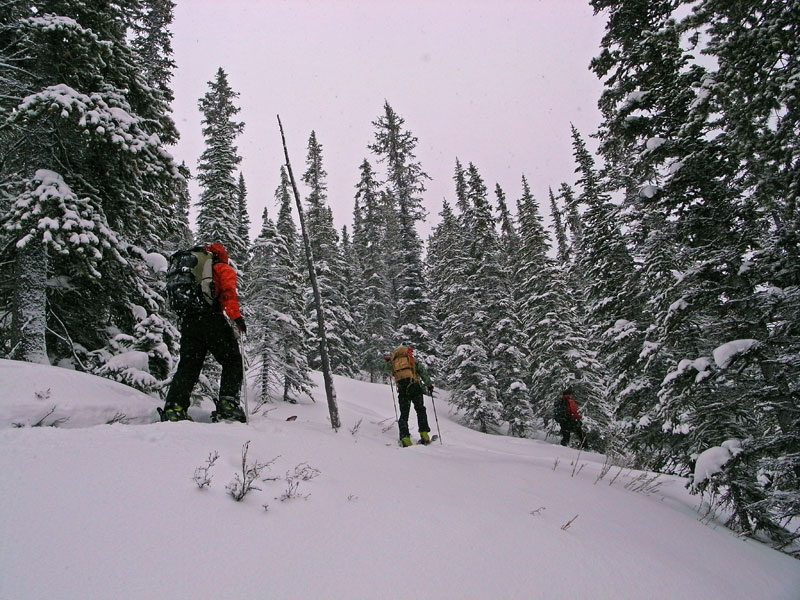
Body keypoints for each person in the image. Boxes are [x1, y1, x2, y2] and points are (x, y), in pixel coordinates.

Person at [162, 243, 247, 422]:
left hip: (189, 322)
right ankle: (228, 406)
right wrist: (237, 318)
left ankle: (174, 409)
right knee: (232, 360)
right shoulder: (221, 267)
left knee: (188, 367)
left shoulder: (191, 270)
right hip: (211, 319)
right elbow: (228, 294)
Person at [384, 345, 434, 447]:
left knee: (404, 414)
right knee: (420, 409)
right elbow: (423, 372)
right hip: (415, 386)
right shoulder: (411, 360)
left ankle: (405, 438)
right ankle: (424, 434)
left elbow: (383, 368)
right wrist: (429, 384)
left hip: (402, 389)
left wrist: (387, 361)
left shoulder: (394, 362)